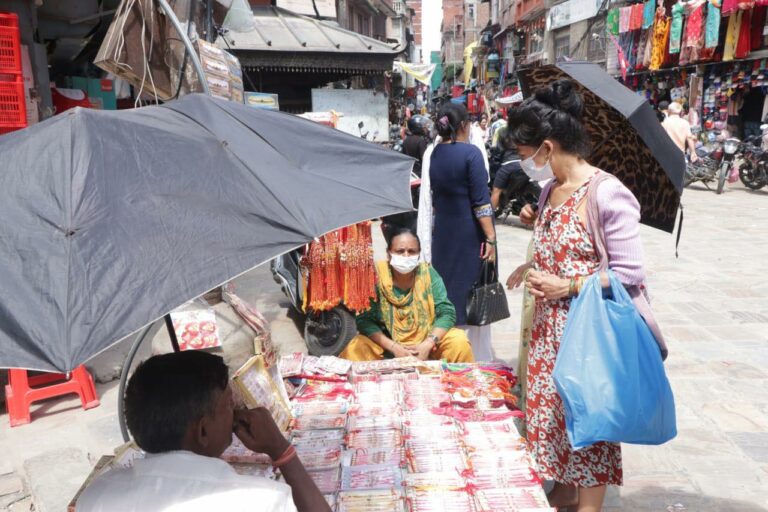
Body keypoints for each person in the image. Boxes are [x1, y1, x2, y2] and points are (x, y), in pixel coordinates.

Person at [505, 79, 652, 511]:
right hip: (547, 335)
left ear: (547, 147)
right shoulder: (549, 190)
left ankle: (587, 504)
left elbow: (629, 273)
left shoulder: (607, 192)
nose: (524, 163)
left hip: (588, 336)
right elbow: (564, 251)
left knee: (588, 423)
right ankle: (565, 490)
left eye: (524, 153)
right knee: (552, 421)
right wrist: (534, 235)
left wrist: (567, 286)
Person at [77, 351, 330, 512]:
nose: (236, 412)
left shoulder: (97, 496)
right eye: (229, 405)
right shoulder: (262, 501)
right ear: (203, 431)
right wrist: (281, 450)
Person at [340, 227, 474, 363]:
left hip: (427, 343)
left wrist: (428, 343)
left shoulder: (428, 275)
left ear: (419, 254)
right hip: (386, 345)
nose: (406, 256)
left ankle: (456, 377)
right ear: (388, 253)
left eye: (412, 251)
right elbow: (364, 320)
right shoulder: (376, 277)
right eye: (400, 251)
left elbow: (446, 312)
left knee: (458, 341)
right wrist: (393, 347)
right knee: (355, 349)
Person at [427, 103, 497, 362]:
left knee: (449, 293)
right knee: (474, 294)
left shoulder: (435, 153)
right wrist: (491, 237)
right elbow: (481, 203)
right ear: (464, 125)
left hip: (444, 234)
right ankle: (473, 358)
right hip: (470, 235)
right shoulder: (471, 154)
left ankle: (451, 351)